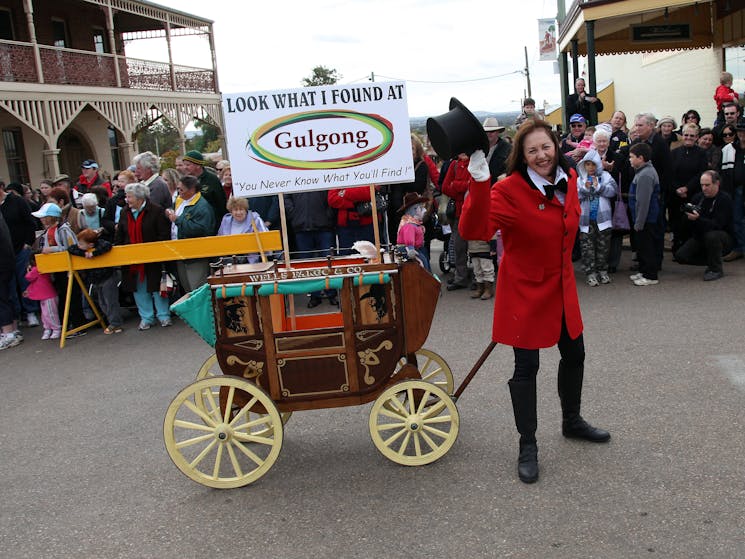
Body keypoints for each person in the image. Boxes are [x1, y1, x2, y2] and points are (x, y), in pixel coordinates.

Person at [459, 119, 610, 484]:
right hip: (525, 290)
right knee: (527, 369)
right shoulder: (509, 190)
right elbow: (474, 231)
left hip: (560, 287)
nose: (542, 155)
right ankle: (528, 444)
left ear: (555, 146)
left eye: (546, 147)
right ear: (522, 157)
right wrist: (479, 183)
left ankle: (571, 421)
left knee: (575, 355)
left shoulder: (569, 178)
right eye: (532, 151)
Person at [116, 182, 172, 330]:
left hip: (153, 258)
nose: (127, 200)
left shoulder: (156, 210)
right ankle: (146, 318)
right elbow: (120, 234)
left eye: (130, 197)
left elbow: (163, 233)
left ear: (140, 198)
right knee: (139, 289)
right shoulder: (124, 212)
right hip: (133, 260)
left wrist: (156, 251)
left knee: (157, 288)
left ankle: (164, 316)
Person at [32, 202, 86, 337]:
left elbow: (72, 247)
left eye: (44, 217)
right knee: (63, 297)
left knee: (72, 297)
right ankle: (67, 324)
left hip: (68, 269)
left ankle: (78, 325)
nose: (42, 219)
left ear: (51, 217)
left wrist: (53, 249)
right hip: (57, 270)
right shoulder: (47, 231)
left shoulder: (63, 229)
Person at [673, 170, 734, 281]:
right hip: (701, 234)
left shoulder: (725, 199)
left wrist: (698, 219)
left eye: (707, 185)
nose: (704, 188)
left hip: (723, 237)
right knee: (680, 256)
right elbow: (688, 227)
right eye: (702, 185)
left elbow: (718, 224)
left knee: (712, 236)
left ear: (717, 184)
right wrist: (688, 217)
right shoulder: (698, 198)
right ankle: (712, 260)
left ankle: (715, 269)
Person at [284, 190, 338, 307]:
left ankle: (331, 293)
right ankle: (315, 295)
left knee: (328, 262)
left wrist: (328, 215)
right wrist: (294, 214)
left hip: (324, 226)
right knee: (308, 265)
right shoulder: (293, 177)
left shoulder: (321, 173)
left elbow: (332, 194)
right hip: (301, 228)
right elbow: (286, 196)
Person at [165, 175, 216, 292]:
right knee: (187, 289)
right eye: (178, 189)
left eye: (181, 189)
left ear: (192, 190)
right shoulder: (179, 200)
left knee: (198, 289)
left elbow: (201, 229)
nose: (178, 192)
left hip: (195, 255)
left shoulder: (202, 206)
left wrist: (177, 220)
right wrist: (168, 212)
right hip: (180, 252)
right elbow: (172, 211)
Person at [67, 228, 123, 334]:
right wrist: (84, 253)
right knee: (102, 303)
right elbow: (71, 249)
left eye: (81, 243)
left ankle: (115, 323)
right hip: (96, 279)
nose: (79, 245)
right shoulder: (82, 249)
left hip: (107, 277)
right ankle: (112, 321)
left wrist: (94, 253)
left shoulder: (101, 244)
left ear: (91, 245)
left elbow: (107, 246)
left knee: (110, 301)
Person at [0, 180, 39, 328]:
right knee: (8, 286)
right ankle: (15, 316)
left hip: (20, 248)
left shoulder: (17, 201)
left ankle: (31, 312)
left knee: (24, 281)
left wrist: (28, 243)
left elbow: (30, 222)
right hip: (4, 253)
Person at [577, 150, 617, 286]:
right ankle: (590, 273)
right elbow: (575, 197)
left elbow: (613, 191)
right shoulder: (580, 179)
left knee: (603, 247)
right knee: (587, 248)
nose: (591, 168)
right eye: (587, 164)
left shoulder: (606, 176)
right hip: (586, 220)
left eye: (593, 164)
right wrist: (585, 189)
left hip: (603, 220)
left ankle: (602, 271)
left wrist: (598, 187)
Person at [669, 124, 709, 252]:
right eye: (686, 135)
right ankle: (677, 247)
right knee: (676, 222)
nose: (688, 138)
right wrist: (677, 189)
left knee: (690, 222)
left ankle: (689, 250)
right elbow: (669, 173)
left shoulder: (702, 154)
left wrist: (687, 188)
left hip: (693, 194)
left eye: (692, 136)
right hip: (676, 195)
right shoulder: (674, 153)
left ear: (697, 137)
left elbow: (701, 174)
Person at [628, 143, 662, 286]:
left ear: (641, 158)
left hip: (647, 218)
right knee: (642, 246)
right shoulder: (642, 172)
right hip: (643, 218)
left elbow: (643, 201)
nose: (629, 160)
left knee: (647, 247)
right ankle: (643, 271)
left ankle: (650, 275)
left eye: (632, 157)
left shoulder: (645, 175)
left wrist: (639, 222)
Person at [441, 153, 472, 290]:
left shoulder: (475, 163)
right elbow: (445, 187)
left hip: (472, 211)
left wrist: (456, 185)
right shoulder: (454, 165)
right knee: (458, 246)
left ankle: (479, 278)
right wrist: (463, 188)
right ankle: (461, 277)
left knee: (477, 247)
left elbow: (475, 186)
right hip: (457, 212)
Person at [181, 151, 226, 233]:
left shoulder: (212, 180)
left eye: (188, 165)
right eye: (184, 165)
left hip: (210, 227)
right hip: (190, 226)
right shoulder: (184, 181)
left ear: (198, 165)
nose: (184, 167)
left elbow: (221, 204)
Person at [327, 186, 380, 254]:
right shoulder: (339, 177)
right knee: (347, 259)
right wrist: (355, 203)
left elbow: (369, 192)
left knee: (370, 256)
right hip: (345, 228)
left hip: (368, 225)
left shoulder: (367, 175)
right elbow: (332, 199)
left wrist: (345, 192)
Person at [719, 121, 745, 262]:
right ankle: (738, 248)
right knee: (736, 220)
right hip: (734, 190)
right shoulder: (728, 149)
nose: (742, 134)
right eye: (740, 131)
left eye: (744, 132)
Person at [216, 196, 269, 264]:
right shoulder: (225, 220)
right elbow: (219, 240)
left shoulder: (255, 219)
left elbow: (266, 240)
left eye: (241, 209)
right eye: (235, 210)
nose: (238, 213)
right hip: (230, 261)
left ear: (245, 210)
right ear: (231, 211)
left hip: (252, 261)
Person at [0, 210, 23, 350]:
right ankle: (12, 330)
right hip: (6, 261)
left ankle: (8, 332)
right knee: (6, 296)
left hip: (2, 263)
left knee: (2, 298)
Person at [24, 253, 61, 340]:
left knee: (50, 314)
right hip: (46, 295)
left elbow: (28, 277)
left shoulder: (37, 269)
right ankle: (48, 329)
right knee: (45, 314)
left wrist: (29, 270)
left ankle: (56, 329)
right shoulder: (43, 268)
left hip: (48, 296)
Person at [396, 192, 430, 271]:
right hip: (408, 250)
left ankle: (427, 279)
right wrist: (411, 250)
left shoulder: (414, 224)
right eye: (421, 208)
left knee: (425, 260)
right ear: (414, 210)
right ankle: (424, 279)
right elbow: (409, 239)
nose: (424, 210)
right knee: (422, 262)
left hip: (416, 249)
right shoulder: (409, 225)